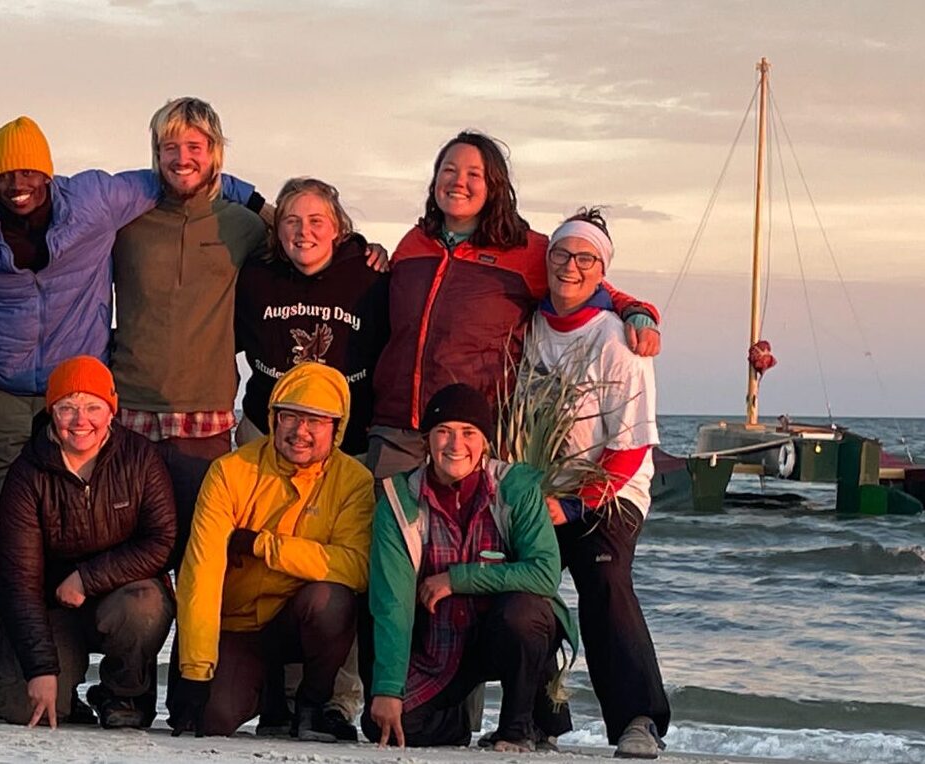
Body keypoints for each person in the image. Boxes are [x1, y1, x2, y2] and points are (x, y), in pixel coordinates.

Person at [0, 115, 259, 522]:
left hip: (78, 380)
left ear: (47, 173)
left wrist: (255, 201)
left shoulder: (94, 201)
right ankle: (4, 584)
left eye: (28, 172)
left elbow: (179, 177)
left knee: (77, 497)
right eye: (4, 175)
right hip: (4, 385)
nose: (18, 184)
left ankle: (72, 585)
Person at [367, 131, 662, 480]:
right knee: (391, 532)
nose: (458, 181)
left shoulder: (525, 251)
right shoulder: (413, 244)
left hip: (475, 434)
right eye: (448, 170)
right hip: (397, 430)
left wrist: (637, 311)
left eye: (473, 174)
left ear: (494, 185)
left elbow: (581, 282)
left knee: (474, 536)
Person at [166, 362, 375, 742]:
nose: (301, 432)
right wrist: (196, 672)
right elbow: (202, 573)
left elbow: (356, 566)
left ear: (337, 427)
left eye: (316, 420)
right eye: (291, 417)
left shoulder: (354, 481)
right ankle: (267, 697)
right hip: (238, 625)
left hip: (297, 620)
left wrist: (265, 545)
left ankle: (311, 705)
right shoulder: (230, 472)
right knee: (208, 721)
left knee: (333, 601)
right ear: (273, 417)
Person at [361, 383, 576, 751]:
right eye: (443, 432)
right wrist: (387, 690)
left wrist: (457, 579)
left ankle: (518, 727)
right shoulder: (399, 500)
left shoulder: (516, 489)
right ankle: (454, 720)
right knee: (387, 727)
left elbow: (543, 572)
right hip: (441, 645)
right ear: (427, 440)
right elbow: (393, 603)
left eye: (468, 433)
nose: (455, 445)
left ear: (485, 443)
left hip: (502, 632)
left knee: (525, 613)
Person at [529, 209, 670, 758]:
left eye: (585, 259)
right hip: (543, 490)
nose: (570, 267)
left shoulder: (619, 340)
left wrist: (577, 505)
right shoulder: (531, 324)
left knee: (604, 585)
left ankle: (639, 721)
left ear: (601, 271)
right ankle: (539, 718)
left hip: (611, 493)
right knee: (525, 591)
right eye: (561, 255)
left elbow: (633, 444)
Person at [108, 97, 268, 564]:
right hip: (130, 415)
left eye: (195, 146)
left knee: (205, 561)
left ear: (215, 152)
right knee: (136, 563)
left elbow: (307, 238)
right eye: (169, 147)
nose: (182, 158)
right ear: (155, 154)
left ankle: (196, 643)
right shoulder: (127, 225)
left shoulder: (243, 226)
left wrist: (367, 249)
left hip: (207, 418)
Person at [0, 356, 177, 730]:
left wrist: (88, 578)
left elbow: (161, 542)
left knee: (147, 604)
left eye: (93, 407)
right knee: (22, 710)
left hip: (119, 599)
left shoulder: (140, 458)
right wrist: (40, 669)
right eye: (67, 407)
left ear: (111, 409)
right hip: (50, 608)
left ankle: (121, 692)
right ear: (51, 411)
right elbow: (19, 581)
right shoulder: (27, 472)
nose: (80, 420)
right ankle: (59, 687)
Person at [236, 177, 391, 456]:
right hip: (266, 434)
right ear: (278, 230)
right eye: (292, 221)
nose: (303, 231)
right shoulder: (255, 278)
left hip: (348, 443)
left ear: (337, 228)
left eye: (316, 221)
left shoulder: (370, 277)